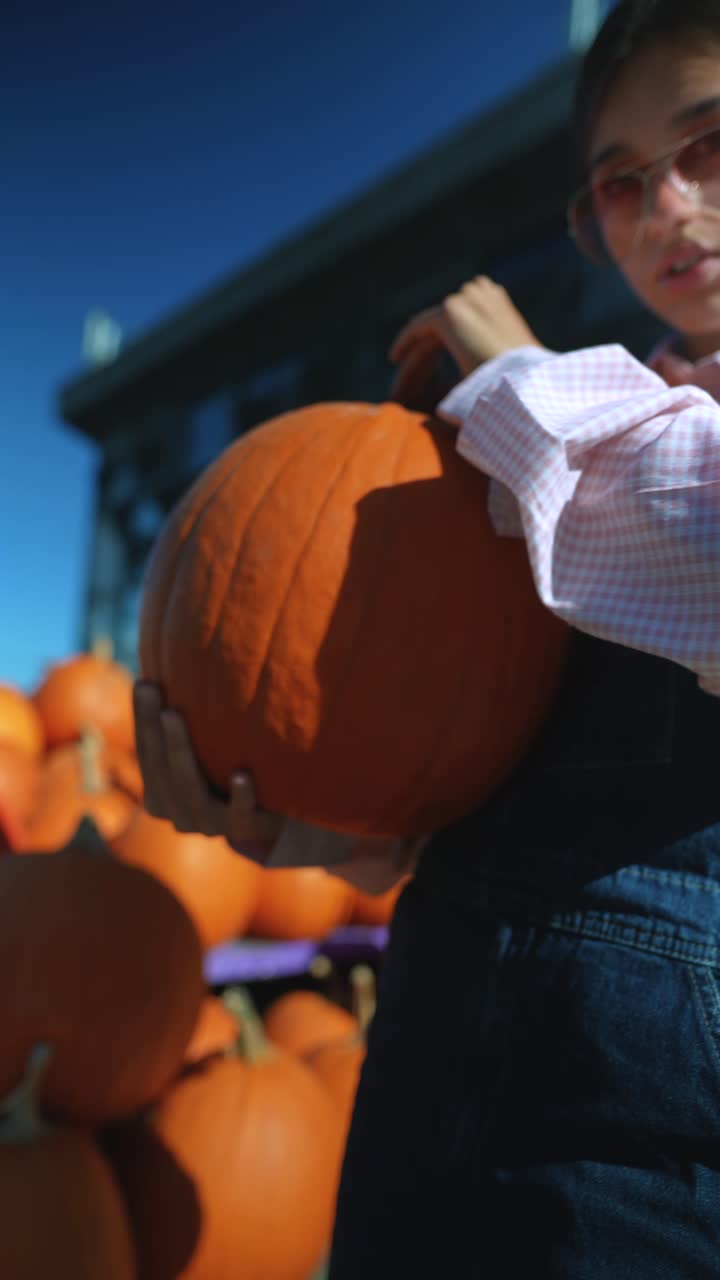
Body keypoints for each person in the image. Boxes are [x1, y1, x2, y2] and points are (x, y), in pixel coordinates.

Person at [134, 1, 720, 1273]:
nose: (666, 206)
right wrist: (314, 820)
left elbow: (700, 531)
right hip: (434, 1048)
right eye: (618, 182)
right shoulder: (579, 442)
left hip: (654, 1122)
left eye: (708, 144)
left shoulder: (582, 426)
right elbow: (482, 764)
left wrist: (521, 372)